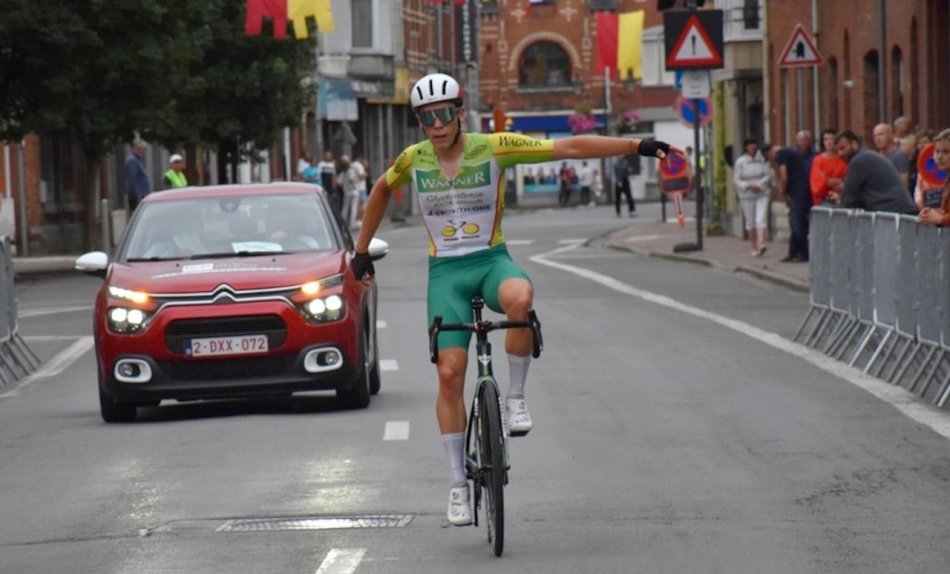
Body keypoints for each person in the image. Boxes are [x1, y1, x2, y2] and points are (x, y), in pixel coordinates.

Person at [349, 72, 683, 527]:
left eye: (445, 113)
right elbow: (381, 190)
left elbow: (568, 148)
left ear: (461, 111)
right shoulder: (414, 159)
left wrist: (635, 146)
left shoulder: (494, 147)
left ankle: (516, 397)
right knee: (450, 375)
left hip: (490, 262)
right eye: (426, 118)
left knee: (521, 298)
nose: (437, 125)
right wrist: (361, 252)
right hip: (445, 273)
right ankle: (455, 485)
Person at [836, 130, 919, 215]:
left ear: (854, 144)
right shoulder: (867, 155)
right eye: (838, 150)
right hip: (899, 210)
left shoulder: (859, 161)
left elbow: (847, 197)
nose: (840, 154)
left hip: (892, 212)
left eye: (843, 148)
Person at [764, 142, 812, 262]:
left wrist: (782, 188)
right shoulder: (790, 152)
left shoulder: (781, 154)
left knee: (797, 223)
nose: (772, 160)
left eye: (769, 158)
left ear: (770, 152)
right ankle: (793, 252)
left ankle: (803, 253)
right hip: (800, 192)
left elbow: (784, 175)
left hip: (798, 193)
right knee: (794, 222)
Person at [732, 138, 772, 257]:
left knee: (761, 218)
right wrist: (748, 185)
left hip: (761, 193)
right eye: (750, 145)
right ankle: (753, 246)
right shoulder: (741, 162)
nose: (752, 147)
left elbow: (768, 175)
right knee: (750, 221)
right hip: (747, 195)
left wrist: (759, 185)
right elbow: (736, 180)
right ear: (745, 148)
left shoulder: (762, 160)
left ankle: (761, 243)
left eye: (754, 145)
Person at [919, 128, 950, 227]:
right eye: (937, 152)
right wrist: (931, 214)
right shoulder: (947, 181)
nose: (940, 157)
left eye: (946, 152)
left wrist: (941, 219)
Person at [810, 128, 848, 206]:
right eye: (826, 139)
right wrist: (836, 181)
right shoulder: (817, 160)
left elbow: (847, 181)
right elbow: (818, 184)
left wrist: (828, 181)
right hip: (823, 200)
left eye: (831, 139)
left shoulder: (843, 159)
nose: (829, 142)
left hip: (841, 198)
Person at [872, 122, 910, 190]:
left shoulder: (899, 157)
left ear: (890, 136)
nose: (877, 139)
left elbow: (903, 185)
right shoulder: (874, 158)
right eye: (875, 136)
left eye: (880, 134)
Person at [124, 139, 151, 212]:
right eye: (139, 148)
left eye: (143, 149)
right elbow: (132, 180)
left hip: (143, 195)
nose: (141, 151)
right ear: (134, 148)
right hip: (138, 197)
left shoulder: (138, 160)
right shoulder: (132, 160)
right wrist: (138, 197)